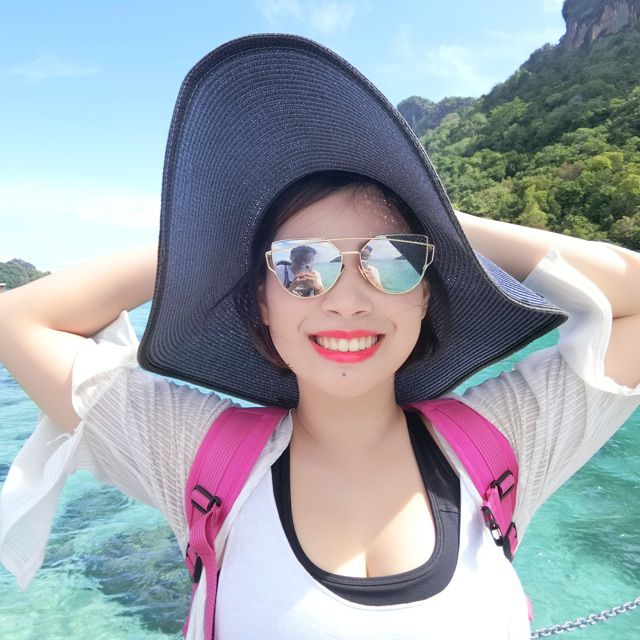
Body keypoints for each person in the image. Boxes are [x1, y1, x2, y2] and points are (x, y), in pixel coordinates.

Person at [0, 34, 639, 640]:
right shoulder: (197, 456)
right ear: (263, 301)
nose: (348, 300)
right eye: (300, 265)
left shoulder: (505, 440)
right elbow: (19, 319)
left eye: (392, 259)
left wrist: (446, 223)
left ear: (424, 292)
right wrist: (224, 238)